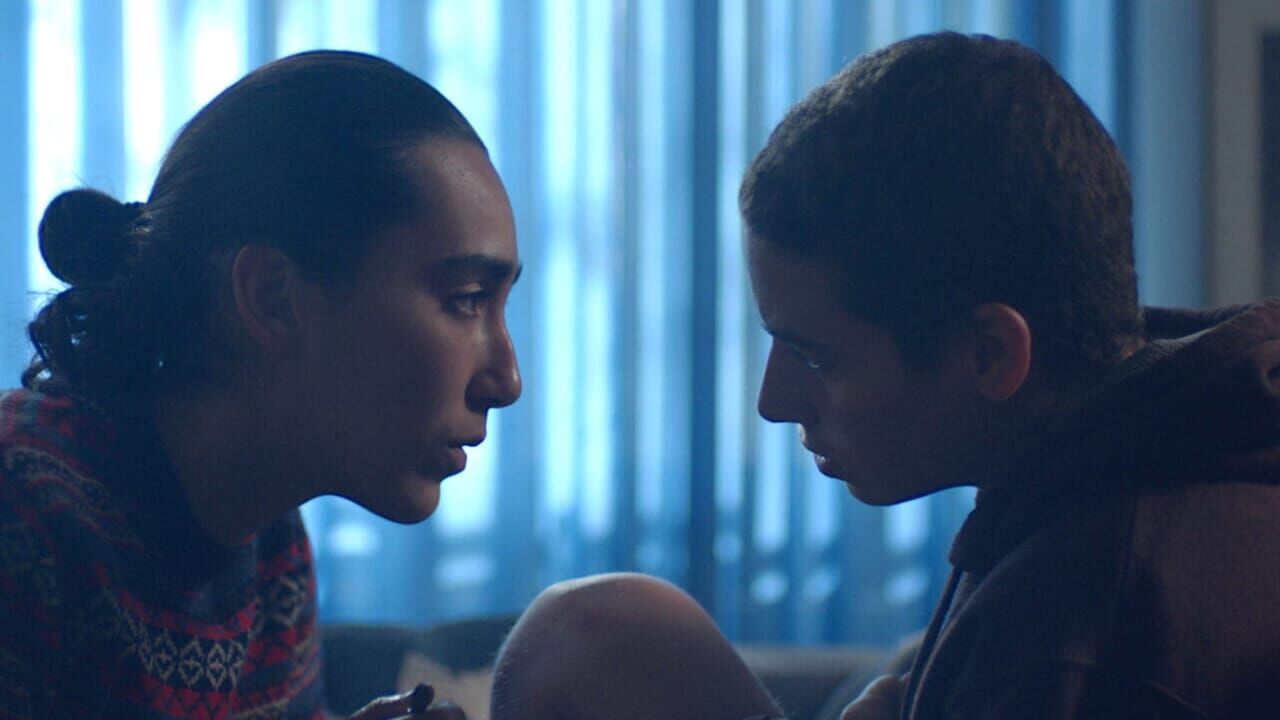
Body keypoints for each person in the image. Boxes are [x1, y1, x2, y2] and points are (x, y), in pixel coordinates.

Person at [490, 32, 1280, 719]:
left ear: (991, 354)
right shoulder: (1155, 465)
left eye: (815, 357)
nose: (773, 403)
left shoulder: (1075, 637)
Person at [0, 50, 521, 718]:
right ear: (273, 297)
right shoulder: (25, 518)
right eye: (467, 299)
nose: (507, 380)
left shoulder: (271, 541)